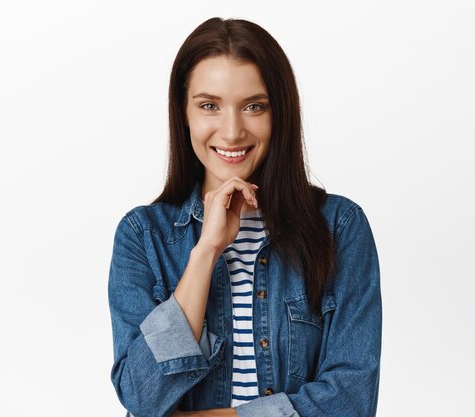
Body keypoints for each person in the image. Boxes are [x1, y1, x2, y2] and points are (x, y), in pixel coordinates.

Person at [108, 17, 382, 417]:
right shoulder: (143, 236)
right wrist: (206, 251)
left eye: (254, 106)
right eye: (209, 106)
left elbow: (351, 399)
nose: (232, 131)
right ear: (183, 114)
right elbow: (141, 396)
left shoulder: (339, 227)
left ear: (280, 113)